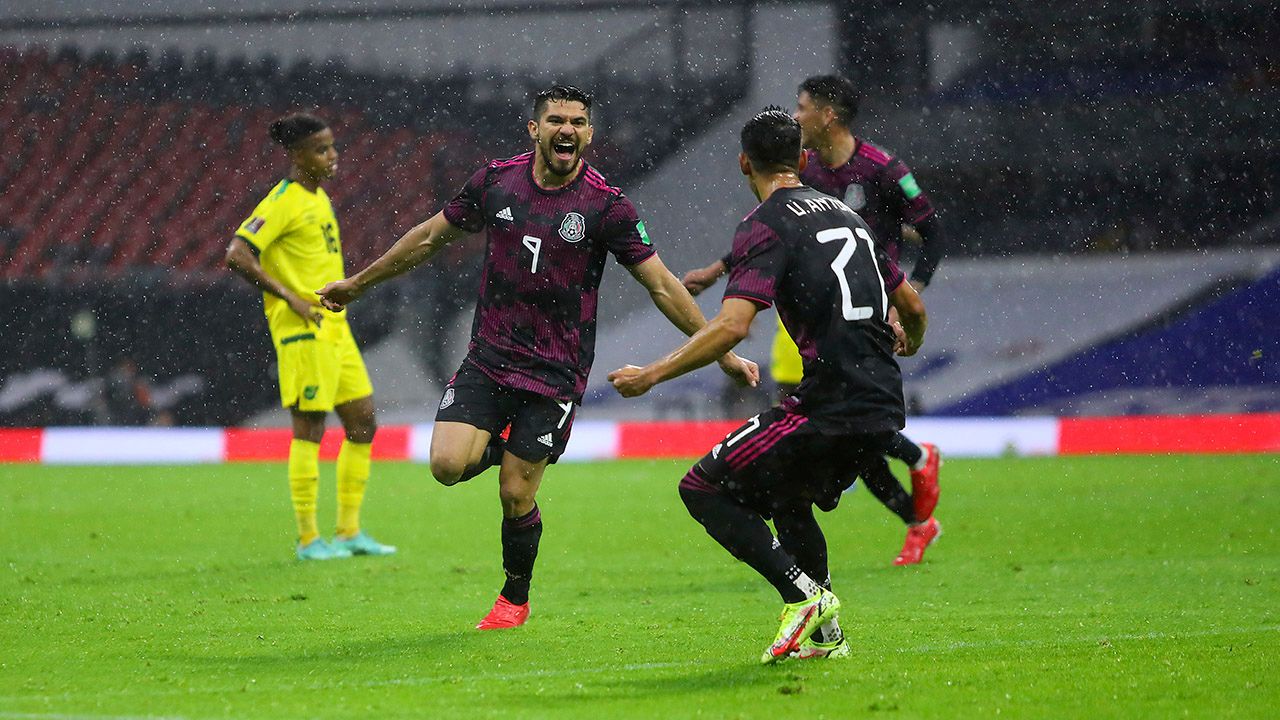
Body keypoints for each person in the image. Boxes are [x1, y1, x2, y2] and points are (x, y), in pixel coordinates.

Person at [316, 84, 758, 630]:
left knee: (514, 493)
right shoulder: (496, 182)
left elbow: (663, 287)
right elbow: (429, 237)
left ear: (589, 134)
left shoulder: (607, 206)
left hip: (555, 372)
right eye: (555, 120)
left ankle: (513, 598)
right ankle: (515, 448)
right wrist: (359, 284)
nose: (566, 129)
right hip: (489, 356)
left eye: (577, 121)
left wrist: (719, 350)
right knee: (446, 466)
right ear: (534, 129)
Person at [609, 108, 927, 662]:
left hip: (829, 400)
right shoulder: (851, 220)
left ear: (743, 163)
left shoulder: (766, 223)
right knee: (787, 495)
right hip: (882, 400)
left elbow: (733, 324)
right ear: (803, 160)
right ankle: (829, 641)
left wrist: (652, 374)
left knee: (701, 488)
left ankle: (804, 597)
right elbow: (913, 306)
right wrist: (913, 339)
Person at [681, 74, 945, 566]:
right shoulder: (808, 176)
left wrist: (909, 296)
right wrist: (719, 270)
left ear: (828, 114)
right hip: (807, 305)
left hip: (866, 307)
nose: (796, 116)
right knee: (828, 426)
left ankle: (915, 466)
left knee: (837, 418)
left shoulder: (885, 168)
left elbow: (933, 232)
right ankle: (912, 513)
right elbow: (774, 232)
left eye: (802, 108)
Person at [226, 113, 396, 562]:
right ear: (297, 156)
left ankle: (349, 531)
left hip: (335, 329)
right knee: (310, 432)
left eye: (333, 146)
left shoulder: (318, 199)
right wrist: (293, 300)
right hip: (303, 331)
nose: (333, 155)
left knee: (363, 424)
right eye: (322, 149)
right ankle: (307, 540)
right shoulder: (282, 200)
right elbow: (237, 254)